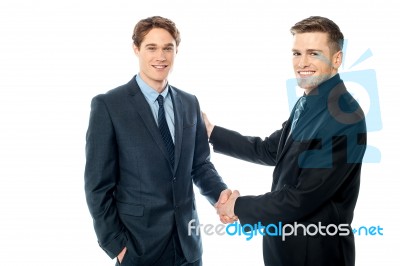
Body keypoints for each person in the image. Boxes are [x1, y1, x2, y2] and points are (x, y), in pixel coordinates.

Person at [207, 16, 367, 266]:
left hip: (316, 255)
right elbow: (270, 149)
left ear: (337, 59)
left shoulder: (343, 116)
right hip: (284, 249)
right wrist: (211, 132)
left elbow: (301, 198)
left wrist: (239, 206)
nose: (302, 63)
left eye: (314, 53)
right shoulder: (310, 100)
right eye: (297, 53)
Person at [84, 16, 232, 266]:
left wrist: (221, 195)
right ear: (136, 49)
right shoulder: (109, 106)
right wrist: (116, 245)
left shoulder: (189, 103)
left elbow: (200, 164)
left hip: (188, 247)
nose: (160, 56)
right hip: (138, 248)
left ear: (176, 51)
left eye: (168, 48)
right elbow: (98, 186)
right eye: (151, 48)